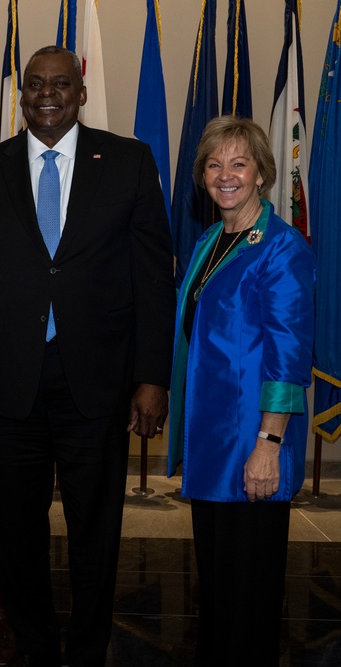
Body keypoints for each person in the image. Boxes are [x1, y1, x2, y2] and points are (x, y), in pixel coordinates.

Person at [0, 46, 175, 667]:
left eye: (60, 84)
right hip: (8, 382)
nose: (45, 94)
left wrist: (152, 377)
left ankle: (86, 649)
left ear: (80, 92)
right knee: (15, 533)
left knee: (95, 532)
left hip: (98, 383)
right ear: (21, 95)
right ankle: (32, 646)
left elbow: (154, 277)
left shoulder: (128, 161)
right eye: (34, 85)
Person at [168, 116, 314, 666]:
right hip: (212, 446)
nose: (224, 175)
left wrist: (268, 445)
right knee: (219, 588)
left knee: (249, 595)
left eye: (238, 164)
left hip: (252, 447)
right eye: (213, 164)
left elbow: (289, 356)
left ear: (260, 175)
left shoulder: (282, 248)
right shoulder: (212, 238)